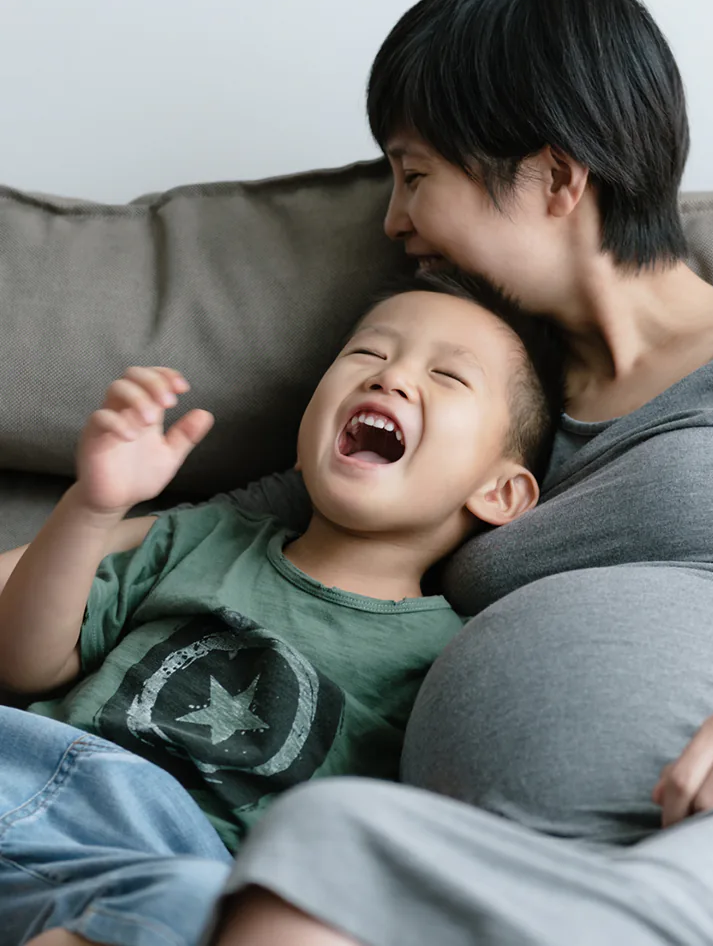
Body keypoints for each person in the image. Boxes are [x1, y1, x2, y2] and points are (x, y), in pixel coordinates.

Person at [192, 0, 713, 944]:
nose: (392, 222)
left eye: (413, 172)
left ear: (556, 178)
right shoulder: (452, 420)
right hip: (491, 870)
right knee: (315, 846)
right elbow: (175, 539)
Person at [0, 271, 563, 946]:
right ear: (303, 436)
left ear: (500, 492)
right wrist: (94, 507)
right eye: (369, 354)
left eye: (447, 375)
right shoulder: (201, 539)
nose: (390, 379)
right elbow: (25, 662)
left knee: (195, 904)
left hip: (171, 859)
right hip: (34, 765)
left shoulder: (450, 658)